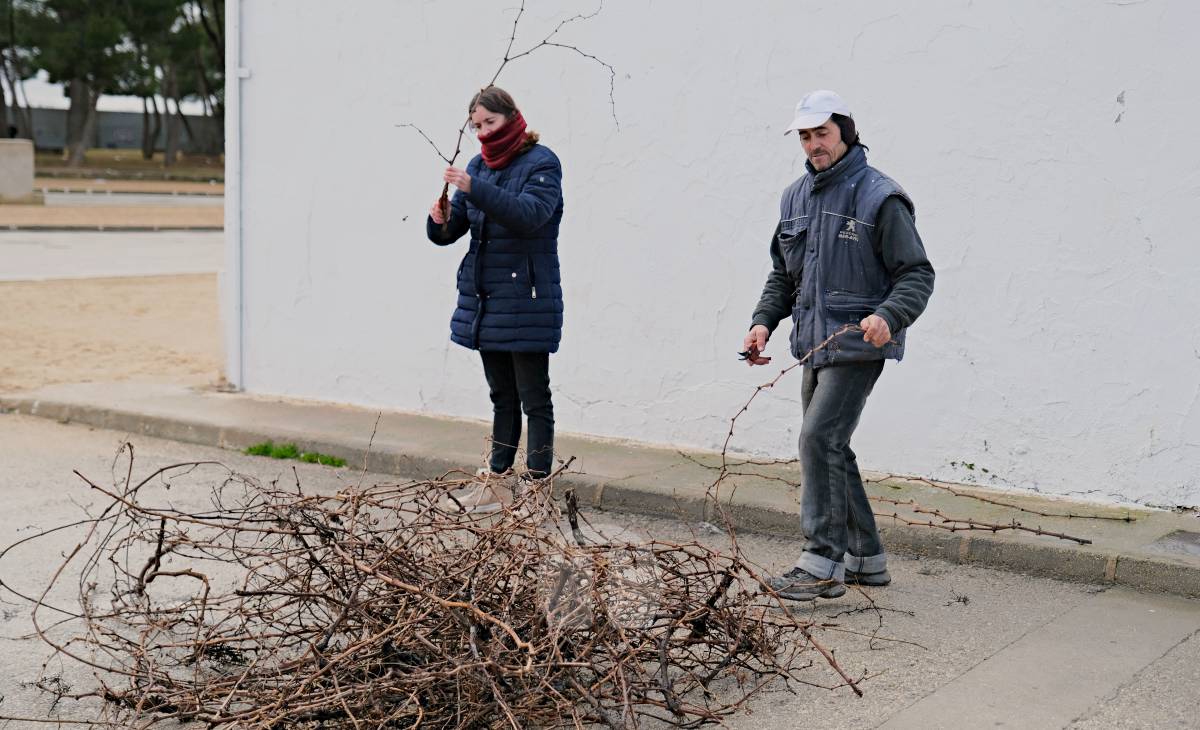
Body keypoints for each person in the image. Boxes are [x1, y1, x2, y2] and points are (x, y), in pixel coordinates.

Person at [743, 89, 935, 600]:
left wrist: (889, 316)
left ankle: (821, 564)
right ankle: (865, 558)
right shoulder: (794, 197)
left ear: (845, 133)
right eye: (805, 136)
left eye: (822, 133)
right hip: (813, 342)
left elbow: (917, 274)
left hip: (858, 343)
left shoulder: (879, 197)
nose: (814, 145)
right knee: (831, 446)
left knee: (818, 439)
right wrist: (763, 322)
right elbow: (783, 275)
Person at [427, 85, 564, 511]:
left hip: (528, 298)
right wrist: (440, 219)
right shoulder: (477, 167)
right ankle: (498, 484)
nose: (483, 132)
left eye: (490, 122)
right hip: (486, 300)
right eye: (476, 126)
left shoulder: (542, 163)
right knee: (501, 397)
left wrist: (474, 187)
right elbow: (454, 231)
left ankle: (537, 493)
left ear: (512, 117)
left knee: (534, 398)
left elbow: (529, 215)